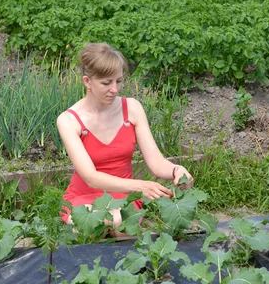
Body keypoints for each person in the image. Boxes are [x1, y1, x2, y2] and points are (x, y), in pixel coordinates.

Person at [57, 42, 194, 236]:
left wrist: (176, 170)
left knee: (120, 224)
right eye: (106, 83)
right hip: (84, 196)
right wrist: (140, 185)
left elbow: (155, 162)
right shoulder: (69, 120)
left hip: (124, 196)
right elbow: (91, 177)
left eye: (119, 81)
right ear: (87, 81)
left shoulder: (132, 108)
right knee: (87, 229)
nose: (114, 89)